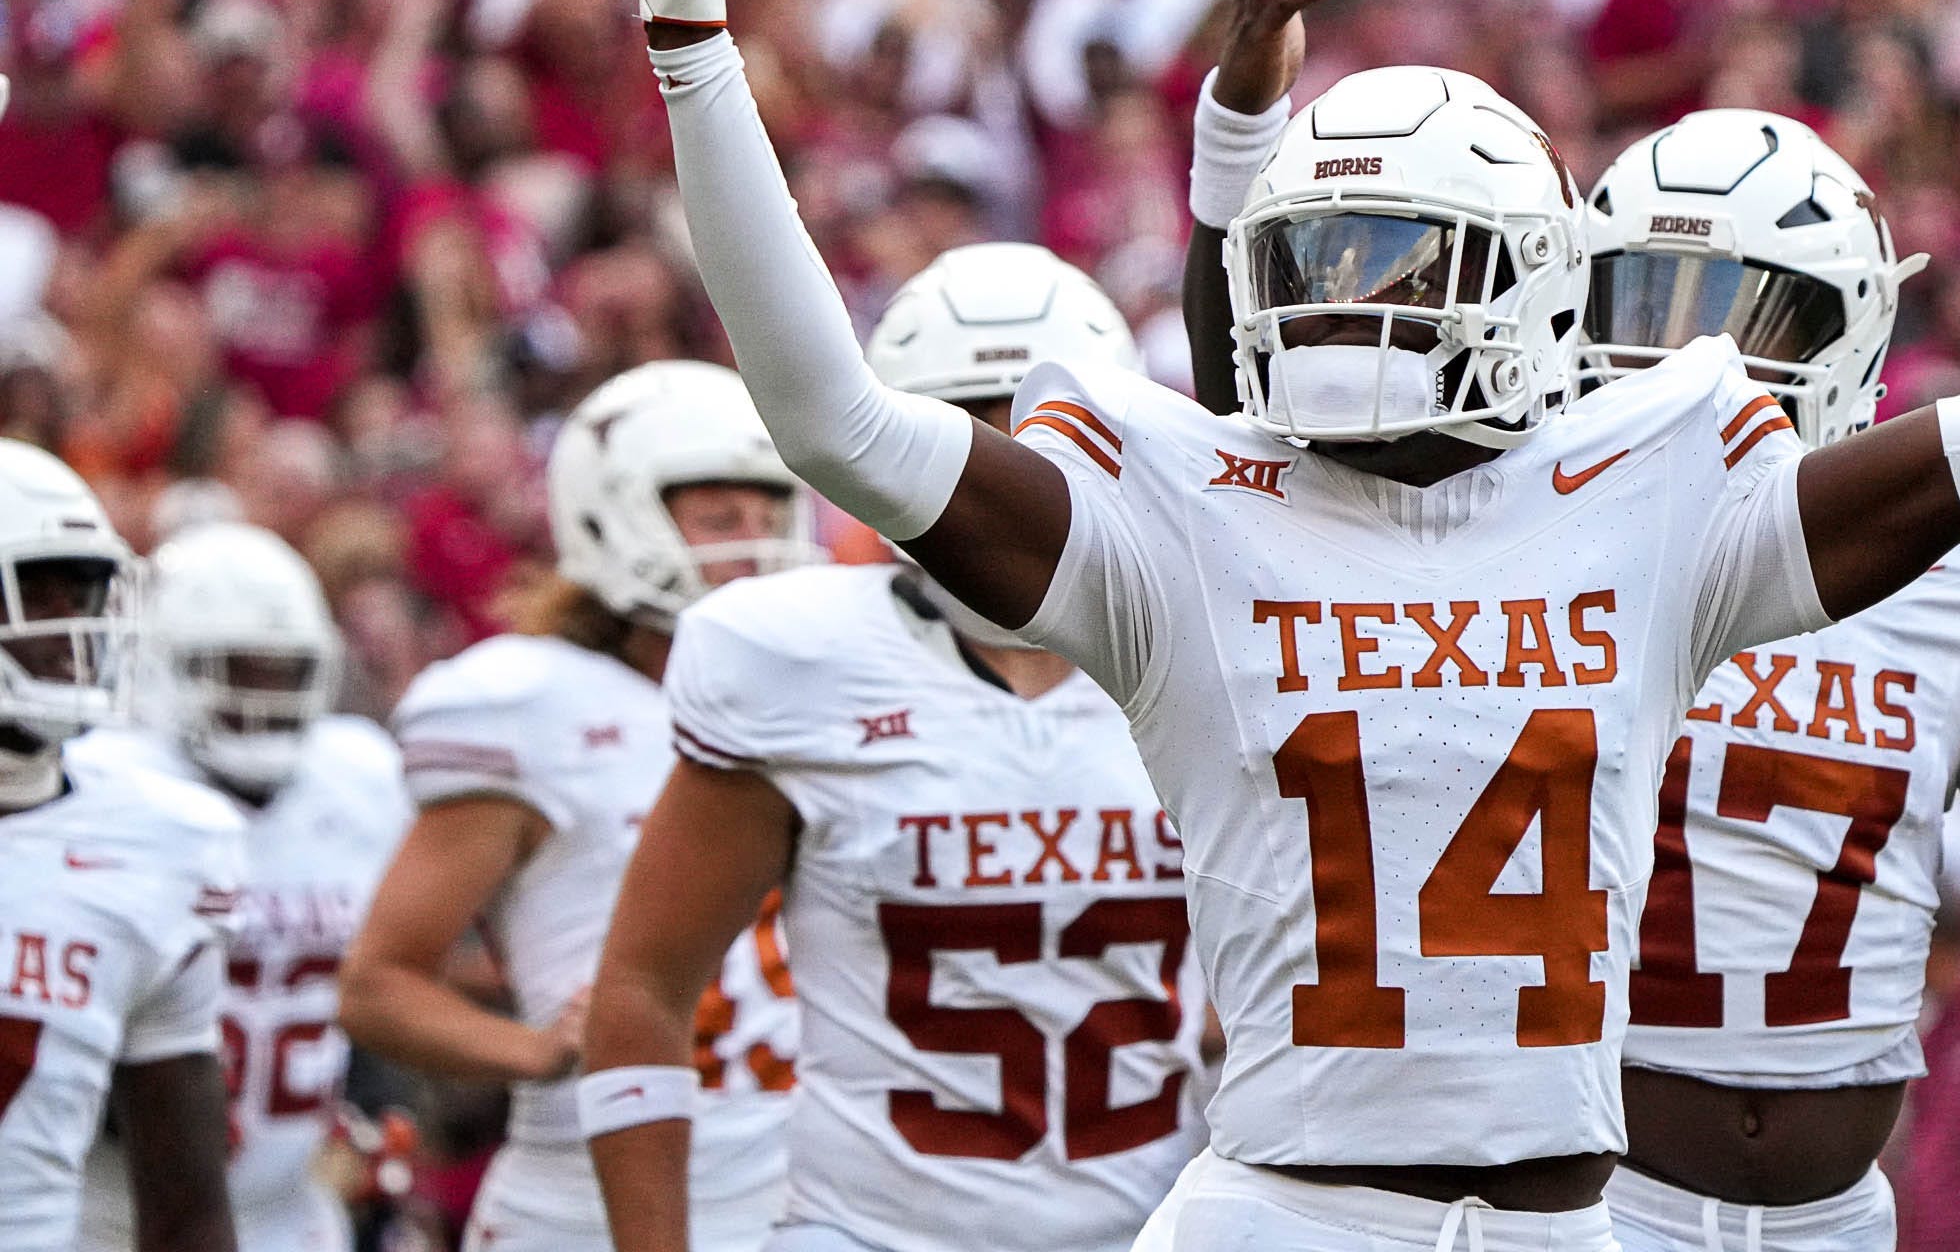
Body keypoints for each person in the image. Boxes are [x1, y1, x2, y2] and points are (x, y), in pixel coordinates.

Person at [571, 0, 1960, 1252]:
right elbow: (827, 417)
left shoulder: (1650, 496)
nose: (1349, 308)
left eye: (1404, 263)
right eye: (1319, 260)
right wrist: (699, 60)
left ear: (1533, 287)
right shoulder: (1185, 501)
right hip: (1279, 1218)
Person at [1180, 103, 1960, 1252]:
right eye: (1642, 299)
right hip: (1580, 1203)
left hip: (1834, 1216)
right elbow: (1257, 485)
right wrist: (1237, 151)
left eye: (1744, 313)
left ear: (1853, 332)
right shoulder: (1533, 519)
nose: (1684, 361)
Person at [576, 243, 1204, 1252]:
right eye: (967, 427)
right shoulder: (794, 658)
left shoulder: (1204, 641)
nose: (1006, 466)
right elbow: (644, 990)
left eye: (1044, 427)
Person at [339, 362, 820, 1252]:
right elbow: (378, 985)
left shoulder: (818, 690)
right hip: (583, 1207)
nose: (753, 545)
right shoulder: (531, 707)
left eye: (769, 515)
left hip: (798, 1198)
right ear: (614, 511)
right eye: (719, 517)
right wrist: (539, 1050)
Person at [72, 522, 409, 1252]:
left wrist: (373, 1101)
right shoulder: (105, 788)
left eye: (282, 675)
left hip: (293, 1210)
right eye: (237, 672)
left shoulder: (356, 780)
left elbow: (368, 977)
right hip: (107, 1213)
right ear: (158, 667)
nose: (263, 700)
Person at [0, 440, 246, 1252]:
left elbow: (187, 1217)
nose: (75, 634)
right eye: (37, 596)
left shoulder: (160, 844)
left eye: (86, 593)